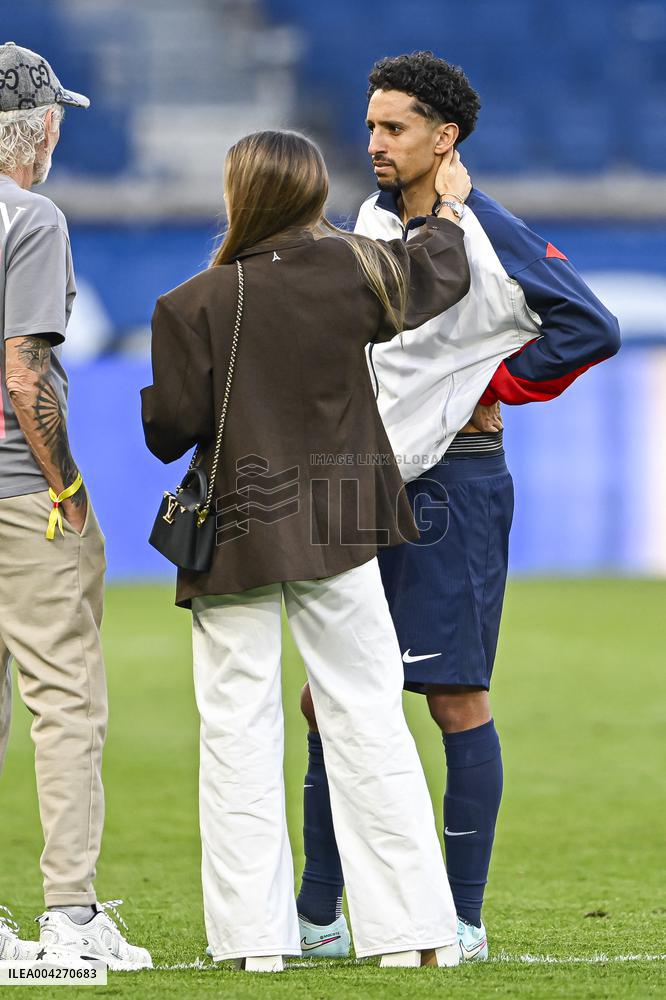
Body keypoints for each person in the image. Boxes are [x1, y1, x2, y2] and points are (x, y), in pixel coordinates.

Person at [297, 51, 621, 961]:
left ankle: (463, 920)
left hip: (455, 487)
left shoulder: (488, 228)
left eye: (394, 127)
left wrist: (495, 382)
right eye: (369, 126)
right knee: (330, 701)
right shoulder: (367, 218)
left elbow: (591, 324)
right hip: (367, 478)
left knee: (455, 701)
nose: (375, 143)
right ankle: (319, 917)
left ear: (446, 139)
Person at [141, 129, 472, 971]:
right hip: (340, 523)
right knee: (368, 719)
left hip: (239, 531)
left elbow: (166, 430)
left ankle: (255, 944)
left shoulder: (192, 302)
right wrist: (445, 205)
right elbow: (441, 273)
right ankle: (413, 937)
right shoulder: (355, 268)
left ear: (238, 194)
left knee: (236, 733)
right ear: (313, 192)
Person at [0, 41, 151, 969]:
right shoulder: (33, 216)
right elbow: (21, 371)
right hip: (18, 492)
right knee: (63, 701)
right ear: (42, 126)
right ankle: (70, 919)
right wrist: (70, 490)